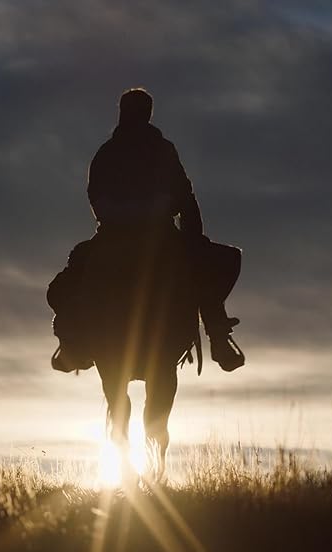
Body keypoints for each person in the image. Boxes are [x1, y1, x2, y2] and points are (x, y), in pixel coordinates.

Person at [49, 88, 244, 373]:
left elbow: (95, 193)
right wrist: (193, 236)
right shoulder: (157, 149)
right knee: (216, 266)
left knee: (70, 278)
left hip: (119, 233)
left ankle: (72, 343)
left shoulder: (111, 151)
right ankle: (217, 335)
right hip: (152, 234)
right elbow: (184, 195)